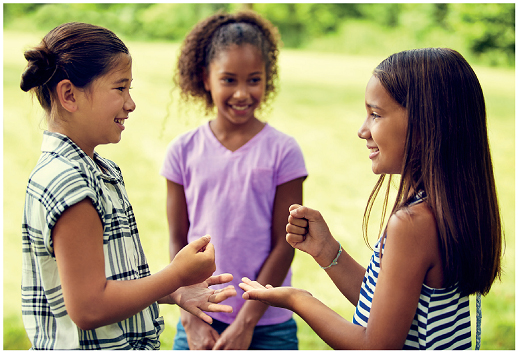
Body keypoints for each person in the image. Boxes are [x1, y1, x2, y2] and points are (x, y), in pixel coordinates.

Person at [240, 48, 503, 350]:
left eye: (375, 114)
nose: (362, 130)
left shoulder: (413, 223)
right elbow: (386, 309)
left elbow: (375, 345)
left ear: (426, 124)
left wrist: (298, 299)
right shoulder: (448, 207)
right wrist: (327, 251)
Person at [20, 22, 237, 350]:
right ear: (69, 95)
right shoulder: (70, 183)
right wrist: (175, 275)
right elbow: (89, 307)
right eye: (120, 88)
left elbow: (106, 284)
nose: (131, 103)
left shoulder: (97, 170)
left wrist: (173, 291)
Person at [161, 10, 307, 350]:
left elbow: (285, 245)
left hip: (268, 324)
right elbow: (177, 241)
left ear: (267, 79)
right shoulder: (182, 151)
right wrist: (190, 318)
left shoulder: (284, 152)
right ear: (206, 78)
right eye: (229, 80)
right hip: (201, 316)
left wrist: (246, 323)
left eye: (253, 80)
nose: (242, 93)